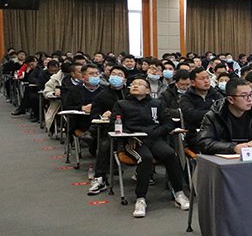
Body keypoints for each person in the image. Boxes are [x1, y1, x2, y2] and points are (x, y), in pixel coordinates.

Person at [111, 77, 189, 218]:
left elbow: (168, 123)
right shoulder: (122, 104)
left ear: (147, 90)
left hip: (154, 139)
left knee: (170, 154)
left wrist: (156, 132)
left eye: (140, 84)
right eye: (133, 84)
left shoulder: (156, 104)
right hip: (133, 141)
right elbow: (114, 124)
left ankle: (179, 193)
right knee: (145, 158)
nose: (135, 86)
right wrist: (129, 136)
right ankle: (141, 199)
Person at [197, 78, 252, 154]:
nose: (249, 99)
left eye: (251, 94)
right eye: (244, 96)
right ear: (230, 99)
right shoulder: (214, 116)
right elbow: (204, 143)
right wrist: (233, 148)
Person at [86, 65, 130, 195]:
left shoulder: (130, 94)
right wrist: (102, 115)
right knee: (105, 145)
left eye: (119, 75)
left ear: (125, 80)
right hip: (111, 130)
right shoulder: (102, 95)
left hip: (132, 130)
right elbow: (93, 115)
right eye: (113, 74)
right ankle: (100, 178)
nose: (115, 77)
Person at [179, 68, 224, 151]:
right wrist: (213, 113)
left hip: (218, 131)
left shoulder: (216, 94)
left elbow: (224, 111)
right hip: (197, 133)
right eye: (202, 79)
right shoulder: (187, 98)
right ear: (193, 82)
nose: (206, 81)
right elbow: (191, 115)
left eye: (207, 78)